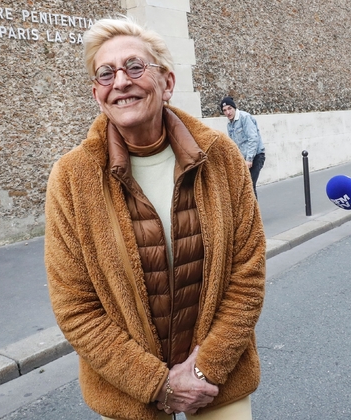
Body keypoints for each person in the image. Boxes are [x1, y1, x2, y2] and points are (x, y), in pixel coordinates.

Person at [44, 17, 266, 420]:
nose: (121, 82)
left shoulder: (221, 157)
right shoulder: (73, 178)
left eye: (134, 66)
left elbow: (247, 272)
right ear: (97, 94)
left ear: (167, 82)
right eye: (106, 73)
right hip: (130, 392)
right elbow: (76, 306)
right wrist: (157, 384)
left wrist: (204, 368)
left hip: (217, 378)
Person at [220, 96, 266, 198]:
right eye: (224, 110)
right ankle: (250, 213)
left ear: (234, 108)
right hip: (244, 160)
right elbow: (234, 146)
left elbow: (253, 138)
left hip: (256, 157)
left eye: (229, 108)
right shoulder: (230, 125)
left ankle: (254, 213)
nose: (228, 112)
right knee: (243, 187)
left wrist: (249, 159)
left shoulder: (245, 117)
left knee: (249, 186)